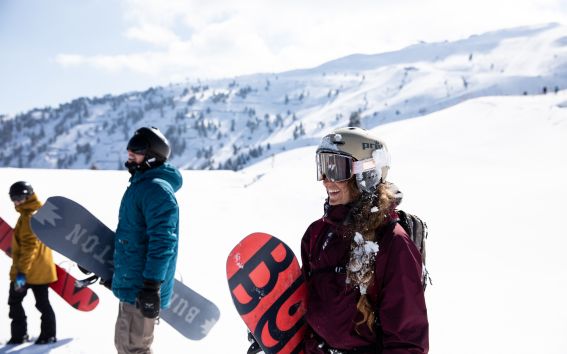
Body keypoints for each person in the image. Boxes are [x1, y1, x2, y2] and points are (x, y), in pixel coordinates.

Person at [301, 127, 429, 353]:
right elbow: (307, 310)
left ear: (365, 175)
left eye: (336, 169)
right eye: (323, 167)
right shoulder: (317, 234)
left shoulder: (393, 244)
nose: (326, 180)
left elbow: (406, 343)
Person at [112, 126, 183, 354]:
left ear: (152, 156)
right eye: (130, 145)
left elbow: (163, 243)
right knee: (127, 346)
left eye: (138, 147)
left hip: (142, 288)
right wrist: (101, 259)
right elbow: (130, 236)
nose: (130, 151)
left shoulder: (156, 190)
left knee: (134, 349)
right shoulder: (140, 186)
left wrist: (152, 286)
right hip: (132, 284)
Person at [7, 181, 58, 345]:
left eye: (19, 198)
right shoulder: (33, 213)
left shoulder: (30, 216)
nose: (16, 202)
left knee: (17, 301)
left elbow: (30, 247)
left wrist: (21, 273)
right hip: (38, 270)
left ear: (28, 196)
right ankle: (44, 334)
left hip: (29, 272)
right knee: (41, 303)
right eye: (13, 198)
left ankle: (22, 335)